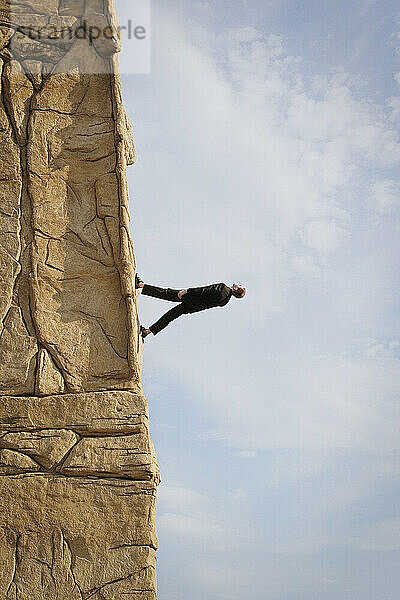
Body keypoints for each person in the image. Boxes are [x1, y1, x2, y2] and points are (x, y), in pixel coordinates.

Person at [136, 275, 246, 340]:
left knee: (166, 293)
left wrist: (187, 291)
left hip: (190, 297)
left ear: (236, 289)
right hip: (193, 307)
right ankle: (147, 331)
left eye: (238, 286)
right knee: (170, 316)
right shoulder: (225, 302)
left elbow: (204, 290)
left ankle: (141, 285)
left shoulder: (223, 288)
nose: (237, 284)